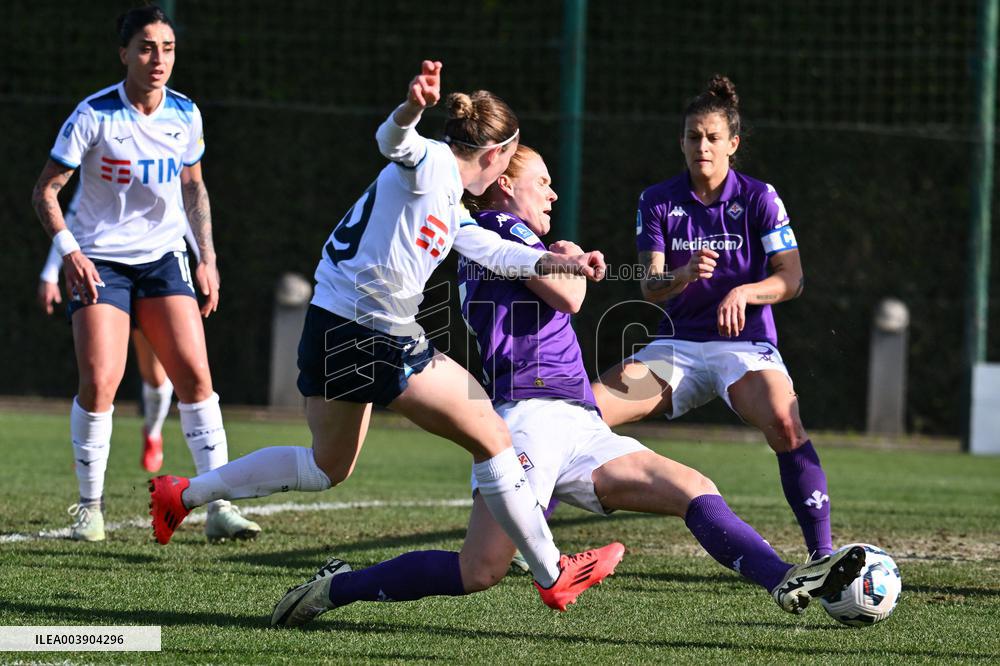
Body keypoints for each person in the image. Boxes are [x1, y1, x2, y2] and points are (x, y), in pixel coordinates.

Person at [268, 145, 864, 628]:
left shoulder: (512, 237)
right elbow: (571, 295)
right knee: (478, 570)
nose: (553, 194)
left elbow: (574, 283)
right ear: (505, 184)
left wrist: (578, 260)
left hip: (577, 420)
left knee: (693, 488)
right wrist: (572, 257)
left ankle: (784, 579)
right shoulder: (497, 225)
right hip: (528, 418)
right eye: (543, 182)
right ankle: (337, 588)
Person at [148, 60, 624, 613]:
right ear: (496, 155)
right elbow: (393, 140)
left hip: (334, 325)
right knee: (494, 435)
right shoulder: (435, 164)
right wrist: (412, 108)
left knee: (326, 466)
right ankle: (552, 572)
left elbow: (493, 250)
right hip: (372, 332)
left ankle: (182, 494)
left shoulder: (450, 199)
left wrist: (560, 263)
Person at [30, 5, 260, 543]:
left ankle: (219, 506)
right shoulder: (93, 114)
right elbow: (45, 191)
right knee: (100, 382)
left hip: (162, 259)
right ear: (124, 54)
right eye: (147, 48)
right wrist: (69, 253)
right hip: (101, 261)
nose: (159, 59)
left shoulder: (185, 113)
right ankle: (90, 510)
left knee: (196, 379)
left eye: (168, 48)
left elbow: (193, 186)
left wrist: (208, 257)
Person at [591, 75, 832, 560]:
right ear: (681, 142)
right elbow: (650, 286)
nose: (702, 146)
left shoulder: (760, 198)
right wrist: (682, 275)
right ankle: (529, 537)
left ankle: (822, 554)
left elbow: (792, 278)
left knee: (785, 423)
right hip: (675, 347)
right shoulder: (657, 200)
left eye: (713, 137)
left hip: (745, 347)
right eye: (694, 136)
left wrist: (746, 291)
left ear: (732, 144)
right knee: (582, 415)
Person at [37, 184, 179, 474]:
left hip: (151, 269)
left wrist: (206, 258)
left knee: (155, 374)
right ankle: (90, 463)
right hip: (106, 270)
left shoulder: (161, 164)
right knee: (99, 377)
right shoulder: (97, 170)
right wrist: (50, 273)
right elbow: (70, 215)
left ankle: (153, 432)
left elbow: (183, 208)